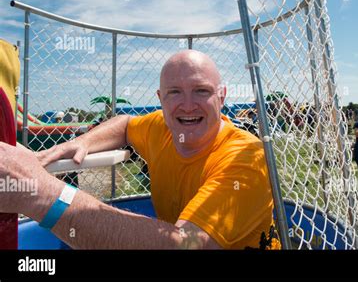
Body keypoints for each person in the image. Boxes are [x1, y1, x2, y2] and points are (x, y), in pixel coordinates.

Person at [0, 50, 279, 249]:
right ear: (160, 99)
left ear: (222, 96)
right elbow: (124, 124)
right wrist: (81, 141)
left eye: (201, 91)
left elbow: (188, 246)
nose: (188, 104)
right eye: (174, 92)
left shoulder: (246, 158)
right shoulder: (162, 127)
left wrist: (39, 193)